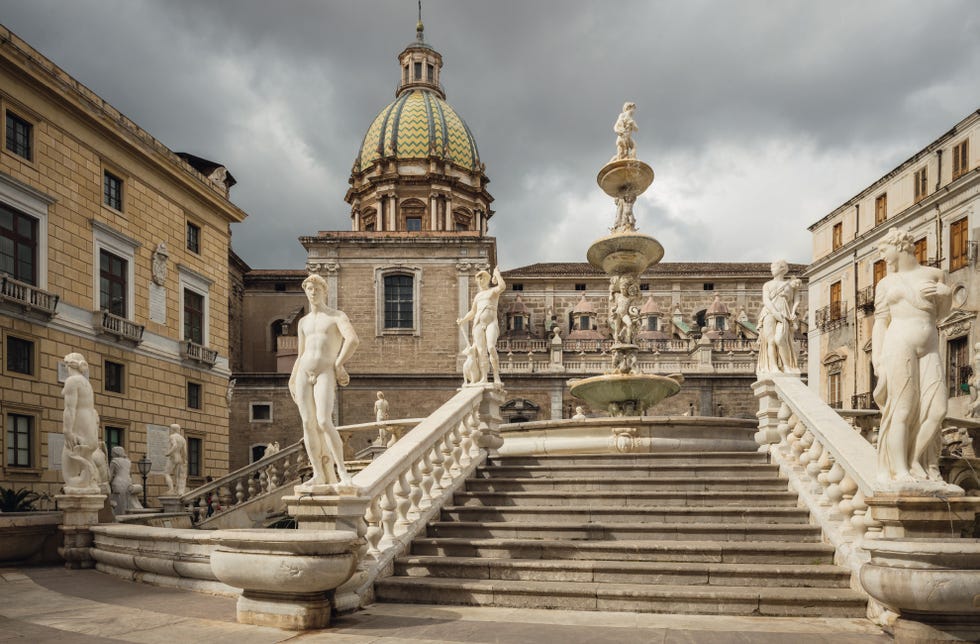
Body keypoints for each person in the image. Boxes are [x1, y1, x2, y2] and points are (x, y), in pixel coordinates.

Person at [871, 227, 951, 484]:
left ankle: (916, 459)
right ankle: (900, 469)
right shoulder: (885, 283)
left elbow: (942, 315)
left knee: (937, 409)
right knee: (902, 410)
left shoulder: (935, 275)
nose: (882, 255)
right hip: (898, 343)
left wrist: (945, 295)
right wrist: (877, 359)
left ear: (900, 245)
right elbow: (880, 322)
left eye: (884, 249)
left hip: (929, 344)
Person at [289, 273, 360, 489]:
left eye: (317, 289)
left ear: (324, 292)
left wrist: (339, 364)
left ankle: (342, 472)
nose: (313, 293)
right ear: (305, 292)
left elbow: (353, 340)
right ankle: (319, 473)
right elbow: (301, 353)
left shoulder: (337, 316)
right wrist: (292, 377)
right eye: (309, 289)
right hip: (303, 372)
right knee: (308, 424)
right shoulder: (303, 322)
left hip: (325, 371)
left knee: (323, 420)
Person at [61, 353, 107, 493]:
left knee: (69, 475)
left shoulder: (72, 381)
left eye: (65, 365)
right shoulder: (86, 384)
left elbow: (70, 409)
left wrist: (67, 431)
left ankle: (86, 487)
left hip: (78, 428)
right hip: (89, 430)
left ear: (69, 365)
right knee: (85, 468)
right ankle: (91, 484)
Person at [457, 266, 506, 384]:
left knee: (491, 347)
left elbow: (502, 287)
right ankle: (484, 377)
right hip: (478, 323)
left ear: (488, 279)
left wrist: (497, 275)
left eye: (483, 278)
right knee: (481, 351)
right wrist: (463, 320)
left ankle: (496, 376)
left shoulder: (493, 291)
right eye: (479, 279)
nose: (481, 281)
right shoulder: (478, 296)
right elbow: (473, 312)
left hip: (491, 323)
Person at [756, 259, 802, 374]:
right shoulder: (767, 285)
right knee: (770, 341)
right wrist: (775, 313)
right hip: (769, 313)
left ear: (782, 269)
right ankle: (774, 367)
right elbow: (766, 300)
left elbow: (797, 300)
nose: (772, 269)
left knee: (780, 340)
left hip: (784, 314)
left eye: (774, 266)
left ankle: (786, 366)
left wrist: (793, 312)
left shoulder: (791, 285)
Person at [164, 423, 188, 495]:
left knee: (166, 473)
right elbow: (185, 452)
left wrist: (168, 453)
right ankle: (177, 491)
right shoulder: (183, 439)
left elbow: (174, 445)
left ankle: (171, 490)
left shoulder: (172, 436)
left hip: (173, 457)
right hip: (179, 458)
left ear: (173, 429)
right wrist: (184, 460)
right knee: (177, 476)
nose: (170, 430)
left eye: (171, 429)